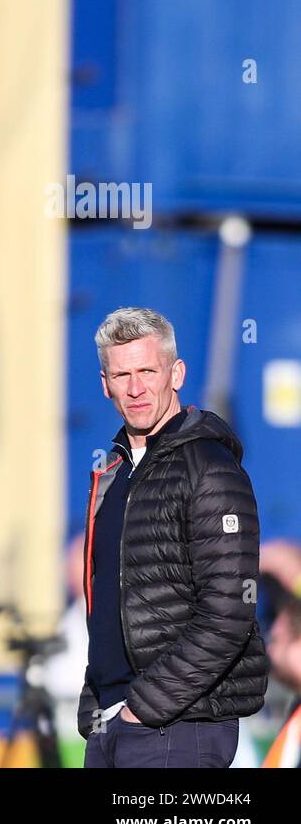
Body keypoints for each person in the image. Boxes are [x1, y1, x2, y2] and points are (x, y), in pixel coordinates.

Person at [77, 307, 269, 767]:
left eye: (148, 370)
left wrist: (143, 707)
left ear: (176, 373)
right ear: (105, 384)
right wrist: (96, 701)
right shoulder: (113, 474)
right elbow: (109, 603)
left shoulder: (209, 467)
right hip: (111, 725)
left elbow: (228, 613)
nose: (136, 387)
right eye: (122, 374)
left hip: (178, 726)